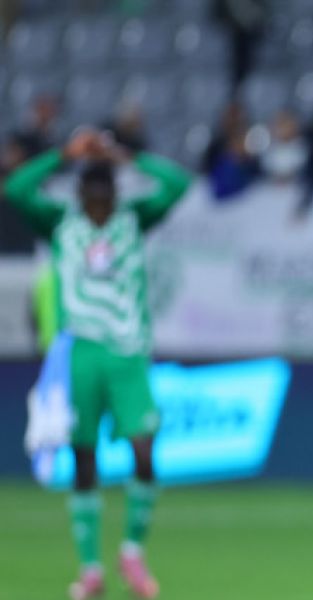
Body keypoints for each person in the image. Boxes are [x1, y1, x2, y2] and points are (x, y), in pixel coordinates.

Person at [4, 128, 192, 600]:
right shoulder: (61, 223)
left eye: (106, 191)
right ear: (81, 193)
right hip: (81, 352)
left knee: (144, 451)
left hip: (128, 351)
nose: (99, 201)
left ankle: (132, 551)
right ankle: (90, 568)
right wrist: (63, 155)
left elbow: (178, 184)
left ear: (114, 192)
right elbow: (16, 189)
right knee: (83, 459)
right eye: (92, 191)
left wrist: (128, 157)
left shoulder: (133, 219)